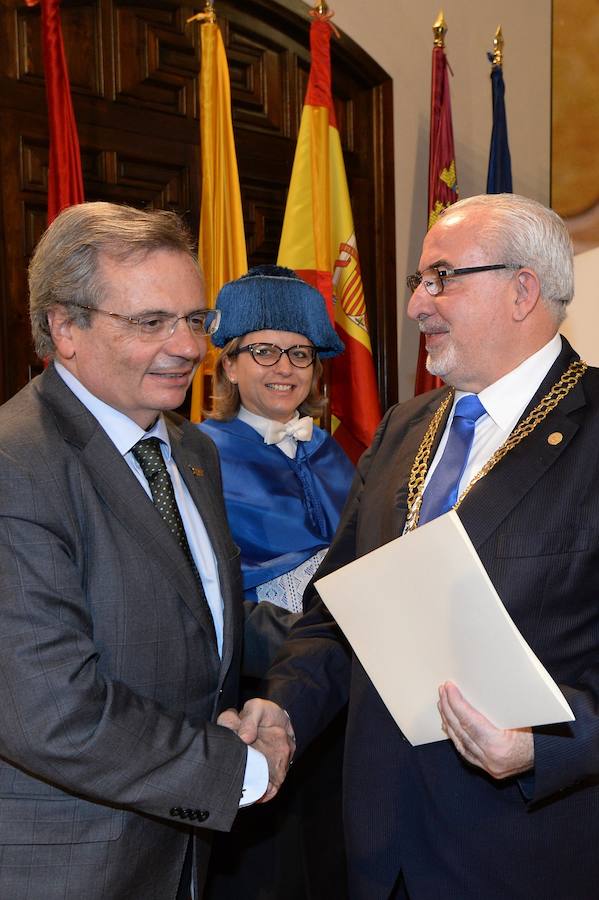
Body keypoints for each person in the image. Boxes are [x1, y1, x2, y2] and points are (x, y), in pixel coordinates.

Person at [222, 194, 599, 899]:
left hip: (526, 853)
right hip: (376, 846)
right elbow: (335, 612)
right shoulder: (402, 428)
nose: (416, 305)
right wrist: (282, 709)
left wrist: (543, 747)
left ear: (522, 289)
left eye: (442, 278)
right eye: (416, 283)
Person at [0, 202, 293, 900]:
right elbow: (50, 712)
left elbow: (197, 629)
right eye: (150, 322)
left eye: (195, 319)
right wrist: (239, 770)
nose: (190, 347)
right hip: (70, 869)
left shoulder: (190, 449)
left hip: (181, 856)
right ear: (65, 329)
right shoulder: (17, 466)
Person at [201, 265, 355, 898]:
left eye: (299, 353)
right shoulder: (199, 454)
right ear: (229, 366)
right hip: (255, 686)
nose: (284, 367)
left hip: (339, 689)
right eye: (263, 350)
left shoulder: (335, 451)